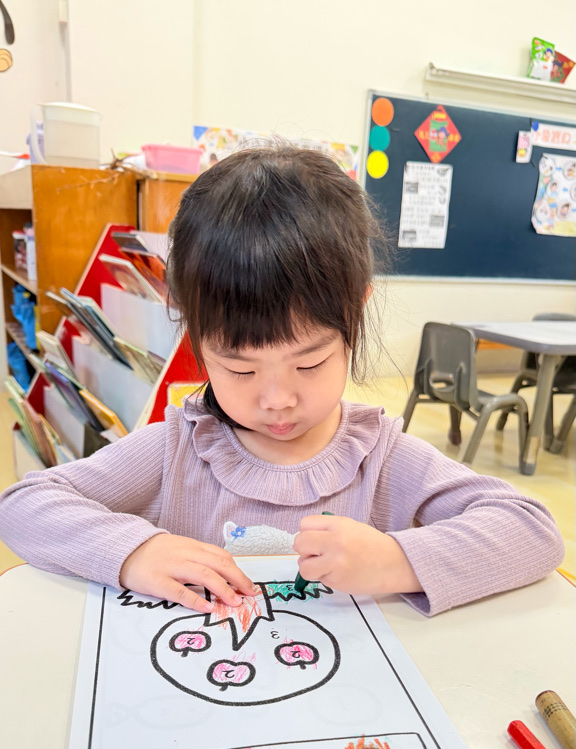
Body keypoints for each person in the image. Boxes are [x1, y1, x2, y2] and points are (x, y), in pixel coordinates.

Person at [0, 146, 564, 616]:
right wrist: (133, 550)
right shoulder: (177, 448)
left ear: (355, 316)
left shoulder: (382, 458)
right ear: (194, 336)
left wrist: (398, 560)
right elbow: (23, 504)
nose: (277, 400)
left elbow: (533, 531)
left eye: (310, 363)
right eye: (240, 369)